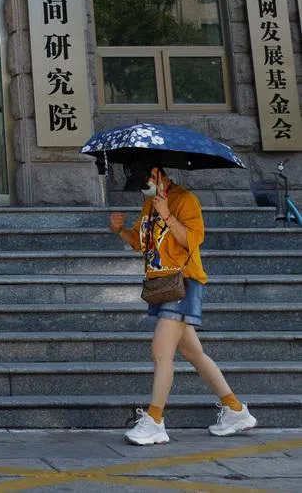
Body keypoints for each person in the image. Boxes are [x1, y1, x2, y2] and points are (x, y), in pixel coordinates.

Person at [110, 159, 257, 446]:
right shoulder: (150, 204)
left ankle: (154, 420)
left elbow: (193, 240)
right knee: (193, 353)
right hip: (161, 285)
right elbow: (141, 243)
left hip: (184, 282)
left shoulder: (185, 199)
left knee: (161, 350)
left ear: (156, 174)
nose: (143, 190)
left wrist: (168, 215)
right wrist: (119, 230)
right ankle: (235, 409)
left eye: (144, 183)